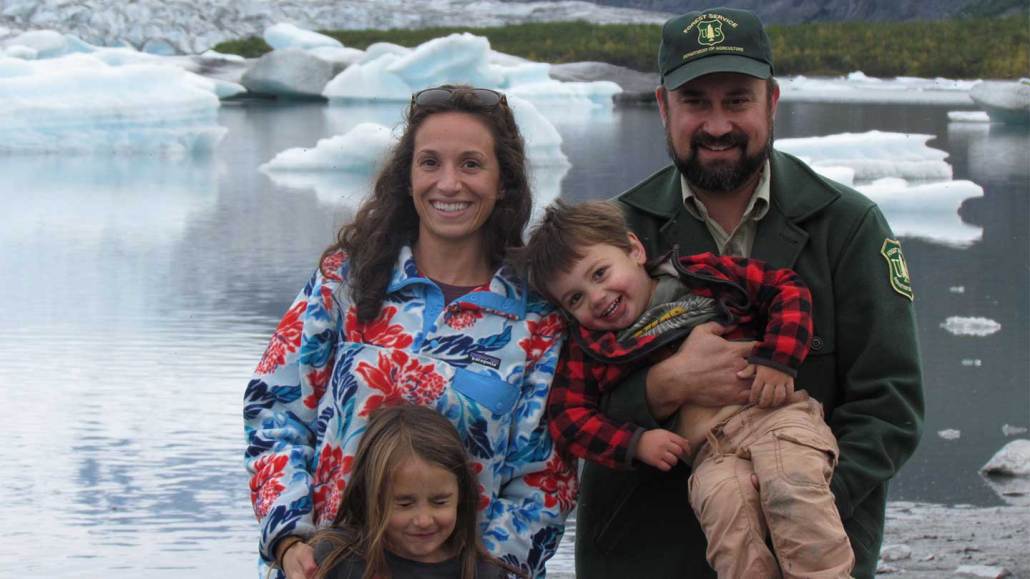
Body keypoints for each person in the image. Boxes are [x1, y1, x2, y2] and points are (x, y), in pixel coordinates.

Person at [572, 7, 925, 579]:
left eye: (737, 100)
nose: (716, 125)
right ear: (663, 107)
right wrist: (664, 387)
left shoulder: (847, 227)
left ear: (771, 101)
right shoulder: (610, 239)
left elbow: (890, 405)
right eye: (695, 102)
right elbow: (567, 409)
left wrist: (796, 503)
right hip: (644, 557)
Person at [244, 85, 576, 579]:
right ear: (408, 176)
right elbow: (274, 413)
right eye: (430, 163)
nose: (448, 183)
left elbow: (545, 478)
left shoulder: (537, 320)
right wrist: (291, 537)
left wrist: (487, 568)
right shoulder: (346, 281)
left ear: (503, 181)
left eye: (470, 164)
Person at [516, 199, 853, 577]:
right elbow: (569, 419)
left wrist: (779, 359)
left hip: (775, 418)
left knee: (792, 490)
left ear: (634, 250)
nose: (597, 298)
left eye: (599, 273)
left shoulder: (701, 276)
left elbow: (784, 288)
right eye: (575, 298)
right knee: (729, 523)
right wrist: (634, 442)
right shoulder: (590, 348)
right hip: (712, 454)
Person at [309, 403, 522, 579]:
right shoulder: (336, 559)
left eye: (439, 502)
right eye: (405, 503)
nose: (424, 520)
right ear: (371, 497)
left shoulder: (484, 574)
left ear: (461, 496)